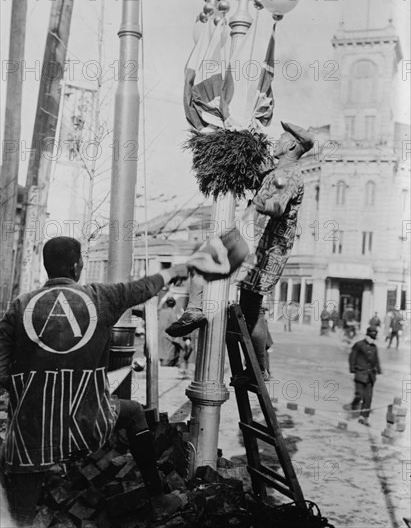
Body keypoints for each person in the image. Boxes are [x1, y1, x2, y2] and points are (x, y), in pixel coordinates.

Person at [0, 236, 188, 526]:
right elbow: (144, 287)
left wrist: (30, 391)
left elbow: (1, 371)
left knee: (19, 517)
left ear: (47, 266)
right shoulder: (100, 297)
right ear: (76, 266)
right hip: (87, 423)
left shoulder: (19, 306)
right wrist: (174, 271)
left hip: (30, 435)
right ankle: (158, 500)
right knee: (135, 413)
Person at [166, 122, 314, 379]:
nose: (276, 142)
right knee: (248, 305)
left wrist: (262, 203)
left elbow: (278, 204)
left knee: (222, 278)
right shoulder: (279, 171)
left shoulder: (287, 175)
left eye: (281, 139)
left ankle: (197, 313)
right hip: (259, 243)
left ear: (291, 145)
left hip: (261, 246)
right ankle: (258, 368)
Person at [346, 326, 382, 426]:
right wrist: (353, 369)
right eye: (371, 337)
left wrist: (378, 371)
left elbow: (376, 360)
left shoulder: (374, 348)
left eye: (374, 338)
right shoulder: (359, 345)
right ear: (367, 336)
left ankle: (364, 417)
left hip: (370, 376)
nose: (372, 340)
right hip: (360, 374)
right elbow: (352, 356)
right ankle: (353, 405)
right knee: (359, 395)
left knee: (368, 398)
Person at [158, 296, 184, 366]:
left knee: (162, 355)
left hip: (160, 337)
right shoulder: (172, 313)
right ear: (174, 305)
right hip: (168, 338)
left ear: (166, 304)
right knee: (168, 356)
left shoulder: (161, 312)